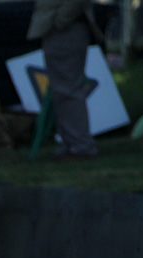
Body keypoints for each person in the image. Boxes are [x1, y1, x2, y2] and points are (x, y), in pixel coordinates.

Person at [27, 0, 106, 160]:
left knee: (67, 89)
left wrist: (60, 20)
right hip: (59, 28)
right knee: (61, 90)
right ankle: (71, 143)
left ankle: (80, 145)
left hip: (66, 28)